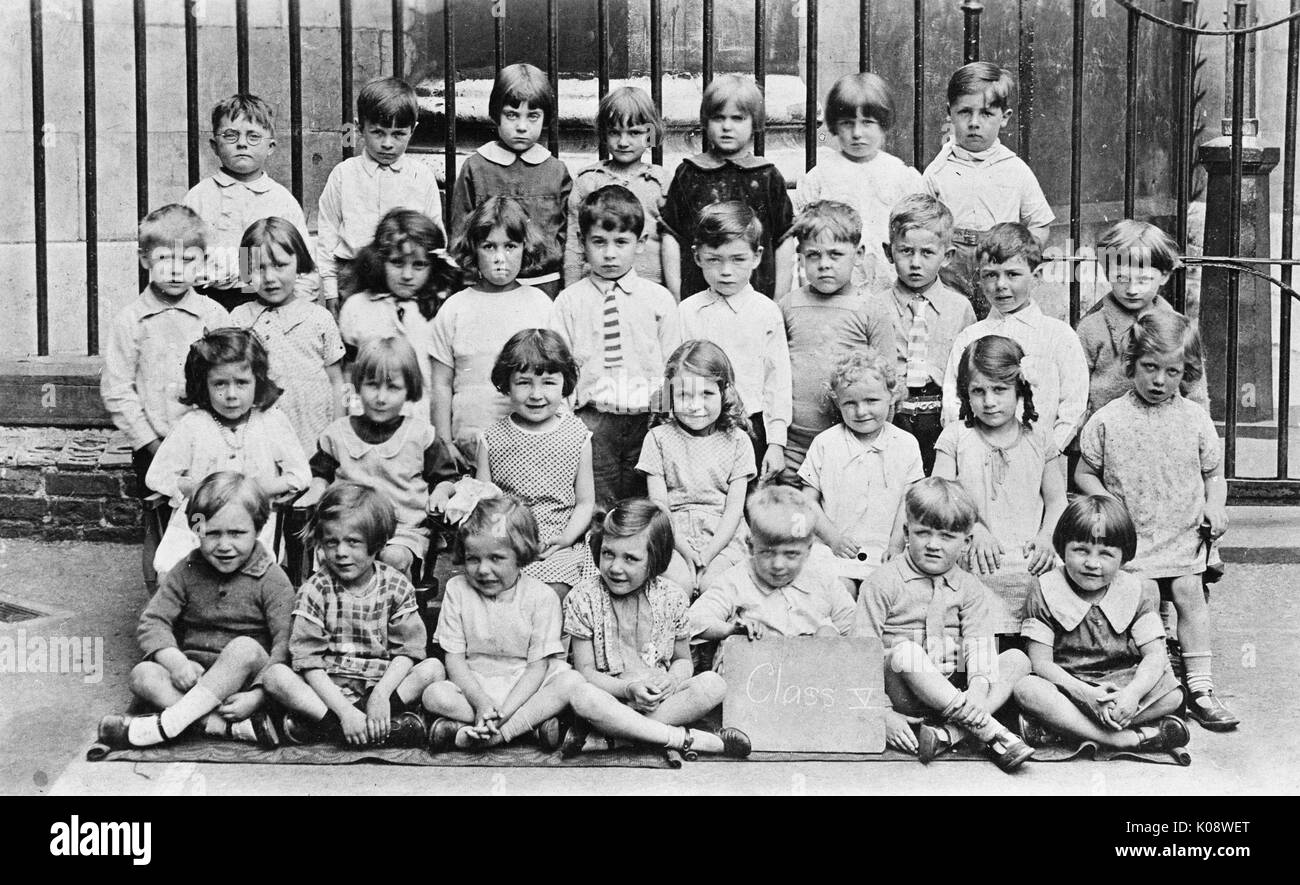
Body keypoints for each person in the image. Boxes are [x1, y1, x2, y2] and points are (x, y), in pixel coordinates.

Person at [1076, 311, 1238, 731]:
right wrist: (1108, 503)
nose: (1160, 380)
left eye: (1172, 371)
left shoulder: (1194, 418)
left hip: (1182, 532)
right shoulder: (1109, 418)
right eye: (1150, 368)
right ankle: (1160, 681)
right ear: (1131, 365)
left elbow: (1213, 476)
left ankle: (1200, 687)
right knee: (1145, 599)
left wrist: (1214, 506)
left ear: (1186, 373)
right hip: (1134, 539)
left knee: (1188, 592)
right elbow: (1083, 472)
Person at [97, 473, 293, 749]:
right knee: (142, 674)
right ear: (196, 530)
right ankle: (221, 726)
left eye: (237, 533)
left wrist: (259, 695)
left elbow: (286, 644)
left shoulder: (271, 578)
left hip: (247, 684)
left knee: (244, 648)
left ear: (258, 530)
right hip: (193, 676)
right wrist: (177, 663)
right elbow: (153, 621)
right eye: (212, 534)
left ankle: (168, 724)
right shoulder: (187, 570)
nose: (224, 545)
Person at [854, 477, 1034, 771]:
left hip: (953, 685)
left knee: (1017, 659)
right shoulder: (883, 582)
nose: (933, 545)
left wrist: (977, 689)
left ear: (966, 541)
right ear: (906, 532)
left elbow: (978, 641)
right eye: (923, 533)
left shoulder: (969, 586)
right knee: (906, 652)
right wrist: (882, 713)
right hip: (902, 690)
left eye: (947, 537)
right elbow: (859, 654)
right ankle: (991, 732)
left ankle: (947, 735)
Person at [102, 204, 229, 593]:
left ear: (202, 261)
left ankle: (210, 604)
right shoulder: (131, 320)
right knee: (157, 524)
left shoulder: (213, 315)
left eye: (187, 260)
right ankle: (158, 606)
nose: (175, 269)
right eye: (164, 259)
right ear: (144, 259)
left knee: (210, 519)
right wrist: (151, 442)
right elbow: (117, 388)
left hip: (207, 442)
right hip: (155, 444)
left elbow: (231, 376)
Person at [563, 499, 751, 758]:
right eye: (608, 553)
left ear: (655, 560)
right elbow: (585, 671)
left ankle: (616, 739)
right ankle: (684, 738)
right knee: (581, 694)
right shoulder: (583, 598)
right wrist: (626, 689)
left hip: (660, 703)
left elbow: (683, 661)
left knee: (714, 684)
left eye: (630, 558)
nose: (615, 567)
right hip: (610, 700)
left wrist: (672, 680)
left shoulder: (672, 598)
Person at [261, 483, 444, 747]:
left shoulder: (396, 585)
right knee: (276, 676)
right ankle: (365, 728)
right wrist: (345, 711)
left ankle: (327, 729)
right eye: (331, 542)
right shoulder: (315, 589)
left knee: (433, 669)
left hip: (381, 688)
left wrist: (381, 694)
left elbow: (408, 650)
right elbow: (308, 661)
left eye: (353, 542)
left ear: (377, 543)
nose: (341, 553)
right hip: (329, 690)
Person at [1013, 496, 1191, 753]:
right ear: (1062, 548)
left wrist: (1132, 695)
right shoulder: (1045, 588)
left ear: (1124, 557)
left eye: (1106, 554)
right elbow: (1041, 663)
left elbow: (1154, 655)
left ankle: (1063, 729)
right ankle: (1123, 738)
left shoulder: (1134, 589)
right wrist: (1086, 693)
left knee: (1172, 693)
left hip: (1120, 686)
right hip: (1069, 686)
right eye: (1081, 550)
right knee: (1027, 689)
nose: (1092, 563)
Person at [551, 185, 682, 505]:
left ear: (641, 243)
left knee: (643, 505)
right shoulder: (570, 301)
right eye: (599, 242)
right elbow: (559, 367)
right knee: (598, 503)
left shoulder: (658, 300)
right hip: (594, 422)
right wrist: (569, 425)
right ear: (582, 243)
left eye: (621, 242)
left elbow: (674, 363)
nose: (610, 253)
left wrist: (665, 419)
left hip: (647, 421)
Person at [424, 494, 586, 751]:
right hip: (475, 683)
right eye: (473, 559)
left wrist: (502, 712)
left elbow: (537, 669)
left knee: (571, 683)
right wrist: (481, 703)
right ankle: (528, 727)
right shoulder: (457, 589)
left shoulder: (542, 597)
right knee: (434, 695)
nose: (483, 570)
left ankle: (492, 733)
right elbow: (453, 659)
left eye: (496, 558)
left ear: (520, 556)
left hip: (526, 685)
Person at [145, 327, 309, 575]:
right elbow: (157, 476)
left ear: (258, 381)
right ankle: (181, 611)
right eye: (219, 384)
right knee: (178, 564)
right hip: (198, 521)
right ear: (204, 385)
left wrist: (258, 490)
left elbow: (300, 474)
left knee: (244, 563)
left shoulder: (270, 421)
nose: (231, 395)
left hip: (254, 520)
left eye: (242, 383)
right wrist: (195, 488)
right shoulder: (193, 424)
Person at [931, 335, 1067, 632]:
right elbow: (941, 496)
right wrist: (975, 528)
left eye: (999, 390)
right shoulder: (956, 437)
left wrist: (1047, 538)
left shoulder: (1039, 437)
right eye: (978, 391)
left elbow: (1057, 500)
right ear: (966, 394)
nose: (989, 401)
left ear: (1019, 389)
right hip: (974, 558)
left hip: (1028, 560)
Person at [448, 329, 595, 598]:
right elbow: (484, 504)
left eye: (548, 383)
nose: (536, 394)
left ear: (565, 383)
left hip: (556, 540)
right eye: (524, 383)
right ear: (507, 384)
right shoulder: (492, 437)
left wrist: (566, 539)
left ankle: (549, 641)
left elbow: (586, 502)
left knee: (553, 590)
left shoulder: (577, 435)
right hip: (506, 539)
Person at [304, 337, 456, 578]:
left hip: (402, 532)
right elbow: (320, 475)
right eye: (372, 385)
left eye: (393, 387)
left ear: (410, 390)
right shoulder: (338, 434)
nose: (381, 397)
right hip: (346, 532)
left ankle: (392, 611)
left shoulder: (421, 435)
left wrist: (440, 492)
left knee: (392, 558)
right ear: (358, 385)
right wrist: (315, 492)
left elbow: (446, 479)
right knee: (325, 555)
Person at [941, 223, 1088, 457]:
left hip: (1041, 460)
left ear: (1037, 276)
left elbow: (1073, 406)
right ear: (979, 278)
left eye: (1012, 274)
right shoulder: (970, 337)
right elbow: (953, 404)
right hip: (980, 458)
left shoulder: (1059, 336)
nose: (1001, 285)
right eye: (991, 275)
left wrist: (1046, 454)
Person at [922, 62, 1054, 317]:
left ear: (1004, 118)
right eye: (964, 113)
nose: (974, 123)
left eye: (985, 113)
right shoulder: (937, 171)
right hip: (950, 269)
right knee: (951, 320)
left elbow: (1039, 223)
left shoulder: (1015, 170)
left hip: (998, 268)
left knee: (999, 330)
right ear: (950, 113)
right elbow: (922, 226)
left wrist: (1018, 256)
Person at [432, 197, 554, 468]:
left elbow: (555, 377)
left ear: (525, 247)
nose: (500, 258)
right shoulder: (455, 308)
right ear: (474, 249)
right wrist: (445, 443)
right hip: (468, 449)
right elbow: (440, 383)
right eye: (489, 247)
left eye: (510, 246)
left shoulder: (540, 304)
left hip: (528, 448)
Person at [780, 201, 896, 474]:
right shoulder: (788, 305)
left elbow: (889, 381)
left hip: (851, 441)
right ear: (800, 257)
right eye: (813, 255)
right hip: (794, 446)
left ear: (858, 255)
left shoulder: (871, 308)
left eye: (835, 254)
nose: (824, 265)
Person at [678, 202, 792, 480]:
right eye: (714, 259)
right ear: (697, 257)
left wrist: (776, 442)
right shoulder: (687, 311)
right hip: (698, 425)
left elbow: (777, 382)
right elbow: (675, 377)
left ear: (757, 256)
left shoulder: (766, 312)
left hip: (751, 426)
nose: (726, 271)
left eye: (738, 259)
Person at [660, 73, 795, 300]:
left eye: (738, 118)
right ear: (705, 120)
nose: (727, 127)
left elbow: (784, 240)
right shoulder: (690, 173)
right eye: (718, 118)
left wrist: (779, 300)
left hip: (756, 299)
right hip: (698, 297)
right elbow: (671, 236)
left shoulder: (767, 176)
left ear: (755, 122)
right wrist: (676, 297)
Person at [867, 193, 975, 474]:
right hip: (892, 416)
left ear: (947, 256)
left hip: (941, 420)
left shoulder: (960, 308)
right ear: (889, 252)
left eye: (927, 253)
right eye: (906, 251)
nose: (916, 263)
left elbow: (968, 370)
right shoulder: (874, 307)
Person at [316, 77, 444, 311]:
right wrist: (329, 289)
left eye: (398, 134)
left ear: (412, 130)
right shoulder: (343, 174)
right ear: (359, 127)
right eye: (377, 132)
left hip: (405, 275)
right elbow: (327, 234)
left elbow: (435, 234)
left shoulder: (421, 176)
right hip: (353, 277)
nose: (387, 143)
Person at [689, 485, 856, 666]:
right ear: (751, 546)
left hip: (807, 680)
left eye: (791, 554)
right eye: (767, 553)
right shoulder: (737, 579)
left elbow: (855, 628)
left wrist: (829, 638)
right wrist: (730, 630)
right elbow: (693, 620)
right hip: (753, 678)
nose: (778, 565)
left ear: (808, 550)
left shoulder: (822, 579)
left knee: (828, 633)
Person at [638, 340, 756, 596]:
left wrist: (709, 553)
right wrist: (686, 550)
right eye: (683, 395)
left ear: (725, 393)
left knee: (714, 586)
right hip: (672, 534)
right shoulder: (658, 438)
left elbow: (734, 510)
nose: (694, 405)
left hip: (723, 538)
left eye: (706, 394)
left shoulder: (738, 441)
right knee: (676, 585)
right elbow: (659, 504)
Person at [792, 73, 924, 292]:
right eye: (847, 124)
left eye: (867, 123)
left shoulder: (901, 176)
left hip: (889, 284)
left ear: (883, 125)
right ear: (834, 126)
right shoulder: (819, 177)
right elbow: (802, 240)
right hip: (834, 286)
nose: (857, 133)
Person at [450, 63, 572, 297]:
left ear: (545, 118)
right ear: (496, 113)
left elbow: (567, 236)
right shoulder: (475, 167)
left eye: (533, 116)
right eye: (512, 115)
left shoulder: (556, 171)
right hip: (487, 285)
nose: (522, 126)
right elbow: (460, 235)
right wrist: (468, 284)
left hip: (544, 285)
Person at [800, 349, 923, 582]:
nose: (861, 411)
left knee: (883, 596)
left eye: (872, 400)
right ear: (837, 403)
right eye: (850, 403)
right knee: (839, 596)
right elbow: (807, 501)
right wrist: (833, 538)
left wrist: (896, 546)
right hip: (834, 551)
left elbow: (908, 502)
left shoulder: (906, 444)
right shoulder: (826, 443)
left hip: (887, 554)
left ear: (892, 396)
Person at [184, 93, 316, 311]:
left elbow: (304, 265)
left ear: (271, 146)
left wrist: (297, 310)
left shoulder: (281, 200)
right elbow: (181, 259)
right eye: (231, 136)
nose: (242, 144)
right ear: (214, 146)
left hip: (268, 302)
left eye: (253, 137)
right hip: (211, 302)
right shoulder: (199, 197)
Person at [1076, 219, 1209, 424]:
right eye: (1121, 278)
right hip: (1106, 434)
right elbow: (1076, 391)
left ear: (1164, 275)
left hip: (1165, 434)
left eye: (1143, 280)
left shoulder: (1180, 329)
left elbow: (1195, 391)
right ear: (1106, 272)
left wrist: (1199, 433)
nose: (1131, 289)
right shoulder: (1091, 328)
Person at [230, 217, 345, 451]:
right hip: (260, 443)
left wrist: (338, 434)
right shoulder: (239, 320)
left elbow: (337, 382)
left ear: (299, 263)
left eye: (280, 265)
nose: (270, 278)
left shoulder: (319, 319)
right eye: (258, 268)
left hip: (314, 438)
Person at [338, 208, 459, 420]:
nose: (407, 275)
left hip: (423, 426)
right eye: (396, 262)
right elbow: (348, 372)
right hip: (369, 426)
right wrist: (350, 416)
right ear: (378, 260)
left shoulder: (442, 308)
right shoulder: (356, 307)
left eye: (419, 265)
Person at [563, 86, 669, 287]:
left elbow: (671, 244)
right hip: (596, 288)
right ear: (603, 134)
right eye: (614, 132)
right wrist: (571, 290)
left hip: (649, 290)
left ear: (651, 134)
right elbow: (574, 246)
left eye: (634, 132)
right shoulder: (588, 181)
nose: (623, 142)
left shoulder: (660, 183)